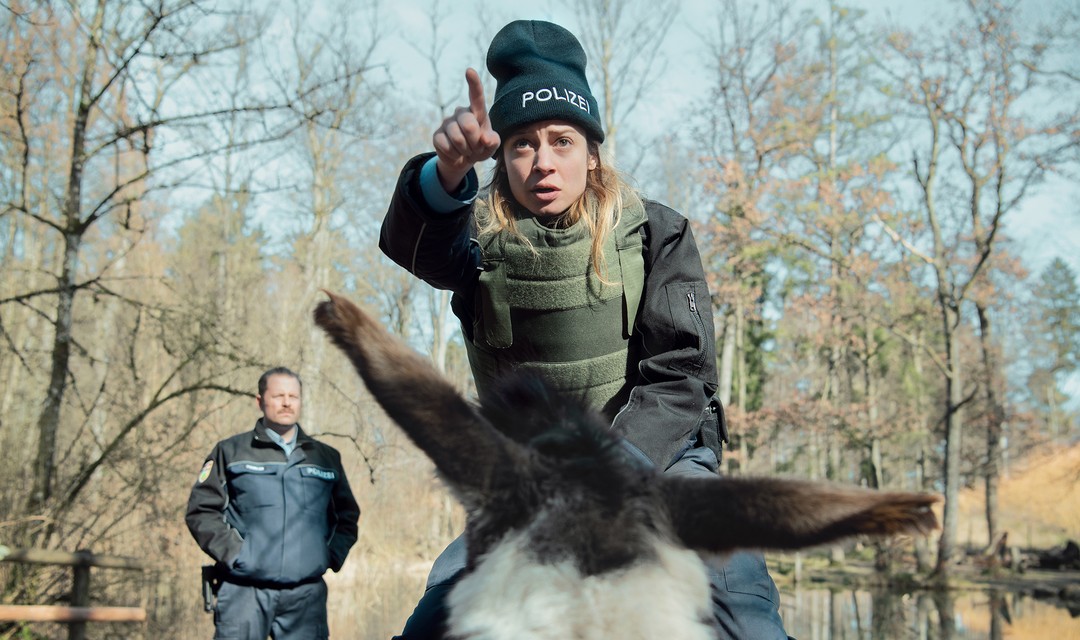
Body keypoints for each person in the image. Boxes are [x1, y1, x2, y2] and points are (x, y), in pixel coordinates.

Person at [379, 19, 790, 640]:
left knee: (741, 596)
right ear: (502, 159)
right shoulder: (477, 243)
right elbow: (421, 251)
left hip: (659, 462)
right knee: (440, 614)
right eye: (522, 144)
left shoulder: (657, 233)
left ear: (591, 151)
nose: (542, 161)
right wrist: (443, 177)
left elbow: (681, 374)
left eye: (562, 141)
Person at [186, 367, 360, 640]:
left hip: (305, 597)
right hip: (243, 592)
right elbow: (202, 511)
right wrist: (236, 554)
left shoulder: (325, 457)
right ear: (260, 401)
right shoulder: (230, 452)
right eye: (278, 395)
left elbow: (347, 517)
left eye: (294, 396)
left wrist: (328, 556)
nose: (287, 402)